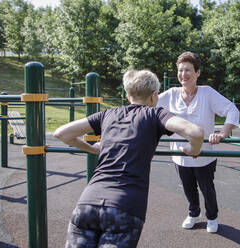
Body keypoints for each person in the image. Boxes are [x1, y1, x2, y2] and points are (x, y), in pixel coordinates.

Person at [53, 69, 204, 248]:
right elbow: (195, 132)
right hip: (125, 207)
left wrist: (93, 150)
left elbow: (61, 133)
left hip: (87, 203)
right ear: (154, 97)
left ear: (127, 95)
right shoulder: (155, 114)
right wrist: (193, 150)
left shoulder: (107, 114)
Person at [157, 51, 240, 233]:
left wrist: (222, 133)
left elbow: (232, 110)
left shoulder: (207, 93)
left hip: (204, 154)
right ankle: (193, 213)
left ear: (197, 73)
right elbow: (148, 106)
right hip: (180, 155)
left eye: (188, 70)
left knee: (206, 188)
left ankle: (212, 216)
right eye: (180, 70)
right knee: (188, 188)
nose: (183, 74)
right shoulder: (171, 94)